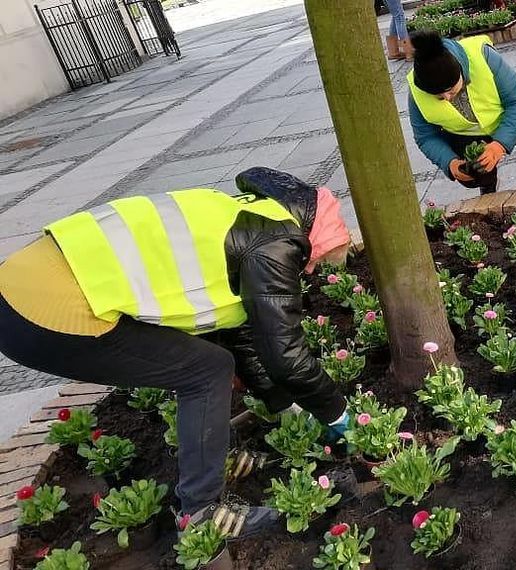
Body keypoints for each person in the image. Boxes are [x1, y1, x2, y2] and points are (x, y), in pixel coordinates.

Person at [0, 167, 356, 539]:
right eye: (314, 263)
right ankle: (203, 511)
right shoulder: (275, 245)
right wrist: (338, 415)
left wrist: (287, 409)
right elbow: (285, 355)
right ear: (312, 239)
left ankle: (214, 456)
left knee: (202, 359)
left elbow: (246, 339)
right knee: (207, 370)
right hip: (45, 310)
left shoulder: (247, 215)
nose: (309, 271)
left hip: (24, 278)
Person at [408, 30, 516, 195]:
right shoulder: (416, 90)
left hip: (508, 116)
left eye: (450, 91)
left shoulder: (482, 55)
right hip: (466, 136)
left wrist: (499, 145)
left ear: (461, 72)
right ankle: (486, 186)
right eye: (438, 96)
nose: (446, 98)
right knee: (472, 172)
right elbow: (425, 137)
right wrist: (450, 162)